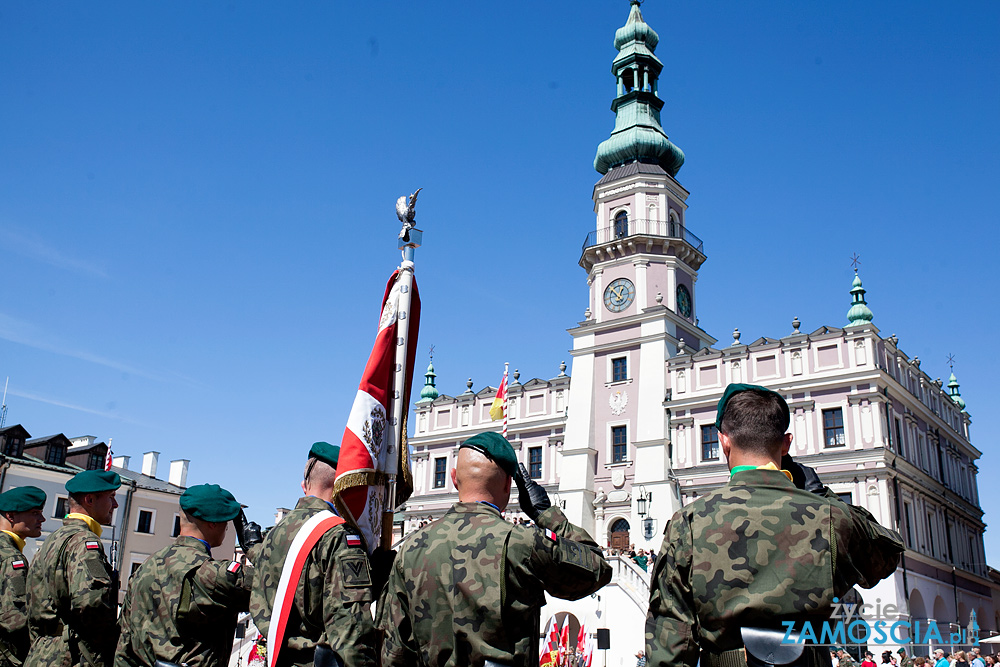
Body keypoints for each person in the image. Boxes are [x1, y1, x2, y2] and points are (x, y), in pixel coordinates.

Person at [645, 384, 905, 667]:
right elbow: (885, 555)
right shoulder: (830, 516)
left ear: (724, 442)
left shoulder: (690, 522)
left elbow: (671, 640)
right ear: (786, 443)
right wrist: (823, 496)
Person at [378, 431, 612, 666]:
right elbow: (597, 567)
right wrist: (546, 514)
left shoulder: (411, 550)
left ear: (453, 478)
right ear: (509, 485)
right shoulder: (521, 543)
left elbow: (395, 653)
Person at [250, 442, 377, 667]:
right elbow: (350, 628)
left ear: (304, 485)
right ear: (344, 486)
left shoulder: (274, 533)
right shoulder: (339, 536)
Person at [115, 484, 263, 667]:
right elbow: (275, 585)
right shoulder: (215, 575)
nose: (227, 528)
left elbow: (125, 640)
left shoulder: (146, 567)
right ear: (213, 523)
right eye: (226, 521)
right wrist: (255, 548)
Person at [26, 470, 122, 667]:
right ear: (89, 499)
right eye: (111, 497)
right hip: (72, 655)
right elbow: (91, 603)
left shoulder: (52, 539)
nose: (115, 505)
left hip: (41, 651)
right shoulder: (85, 542)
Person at [0, 487, 46, 667]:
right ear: (11, 516)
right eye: (35, 513)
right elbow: (14, 618)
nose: (42, 519)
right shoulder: (12, 558)